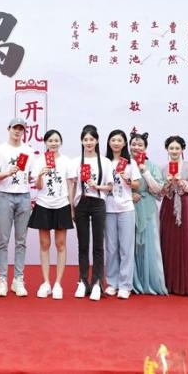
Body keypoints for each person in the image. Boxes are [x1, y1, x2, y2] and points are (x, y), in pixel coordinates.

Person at [29, 129, 75, 300]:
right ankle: (46, 282)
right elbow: (38, 186)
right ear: (45, 143)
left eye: (56, 140)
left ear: (60, 142)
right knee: (44, 244)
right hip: (43, 204)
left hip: (62, 205)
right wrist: (40, 175)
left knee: (60, 244)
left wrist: (71, 207)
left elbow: (70, 185)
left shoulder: (67, 161)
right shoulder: (39, 161)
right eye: (50, 141)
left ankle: (57, 284)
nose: (53, 143)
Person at [0, 117, 35, 297]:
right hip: (5, 196)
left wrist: (31, 177)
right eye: (15, 128)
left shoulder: (29, 151)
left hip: (24, 196)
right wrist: (8, 172)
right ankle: (2, 279)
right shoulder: (0, 150)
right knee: (3, 239)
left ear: (24, 131)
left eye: (21, 129)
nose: (17, 131)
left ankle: (18, 279)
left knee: (21, 241)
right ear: (8, 129)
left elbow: (30, 175)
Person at [69, 124, 113, 300]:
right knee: (83, 244)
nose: (88, 142)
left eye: (91, 139)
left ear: (97, 141)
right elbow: (72, 186)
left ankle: (97, 283)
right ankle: (82, 281)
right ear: (81, 141)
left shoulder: (105, 161)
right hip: (81, 203)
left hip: (98, 203)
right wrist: (71, 207)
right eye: (85, 139)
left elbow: (110, 186)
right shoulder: (75, 161)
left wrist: (97, 186)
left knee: (98, 245)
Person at [157, 136, 188, 296]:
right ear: (167, 150)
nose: (174, 151)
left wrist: (183, 183)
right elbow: (159, 191)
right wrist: (167, 183)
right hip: (168, 205)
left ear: (182, 149)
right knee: (168, 241)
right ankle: (167, 284)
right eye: (171, 148)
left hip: (185, 204)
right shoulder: (162, 168)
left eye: (177, 148)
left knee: (186, 241)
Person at [104, 129, 141, 299]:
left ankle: (125, 285)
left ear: (124, 143)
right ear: (109, 142)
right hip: (108, 208)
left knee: (126, 248)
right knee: (111, 248)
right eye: (113, 140)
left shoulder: (130, 163)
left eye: (119, 140)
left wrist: (128, 180)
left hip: (126, 208)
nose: (116, 143)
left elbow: (137, 185)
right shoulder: (105, 162)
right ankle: (112, 283)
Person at [129, 132, 168, 296]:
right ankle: (131, 282)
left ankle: (151, 282)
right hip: (128, 207)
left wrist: (145, 171)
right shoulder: (124, 164)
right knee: (130, 245)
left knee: (151, 245)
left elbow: (158, 189)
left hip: (148, 207)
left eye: (140, 145)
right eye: (133, 144)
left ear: (145, 148)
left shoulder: (151, 165)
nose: (136, 147)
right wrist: (130, 195)